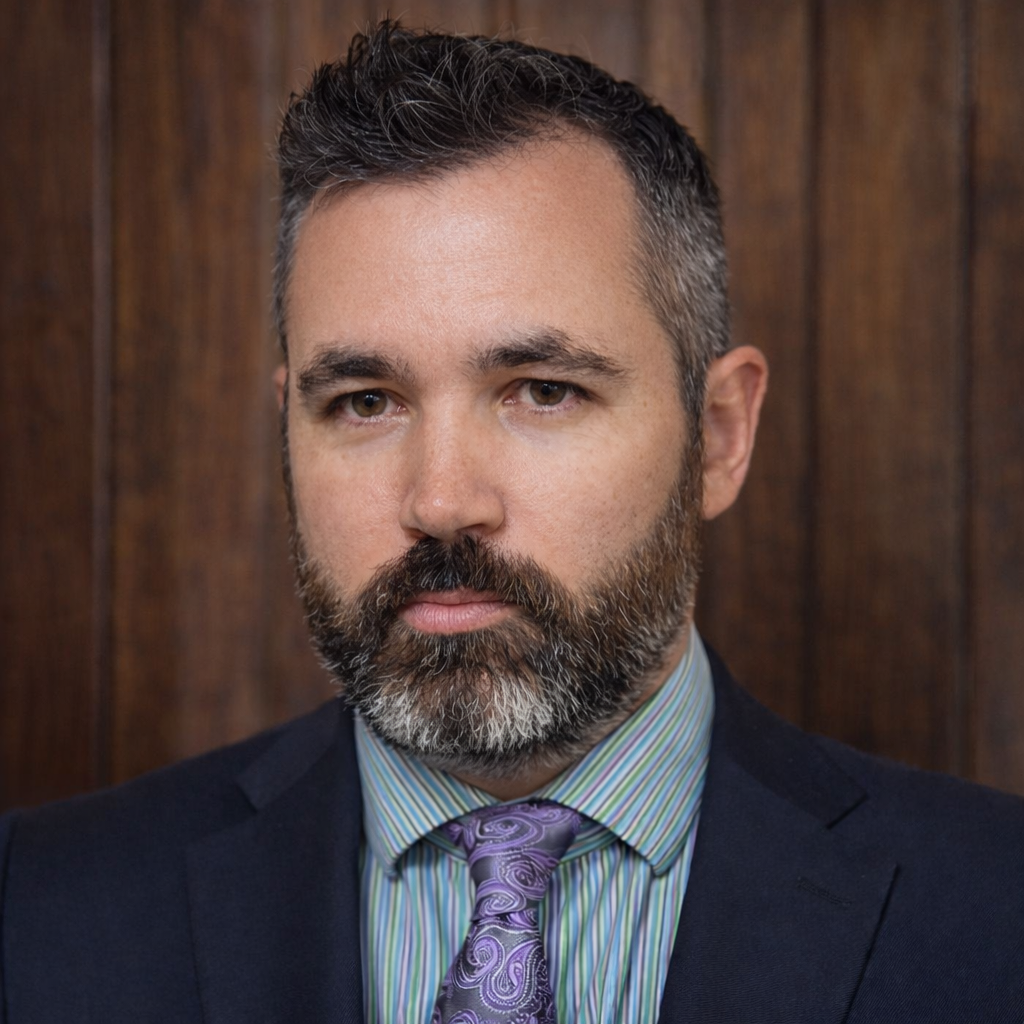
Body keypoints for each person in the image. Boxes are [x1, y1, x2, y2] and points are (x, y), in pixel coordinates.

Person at [1, 20, 1021, 1024]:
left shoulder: (993, 913)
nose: (441, 501)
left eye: (542, 390)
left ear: (717, 435)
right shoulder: (41, 910)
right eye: (364, 402)